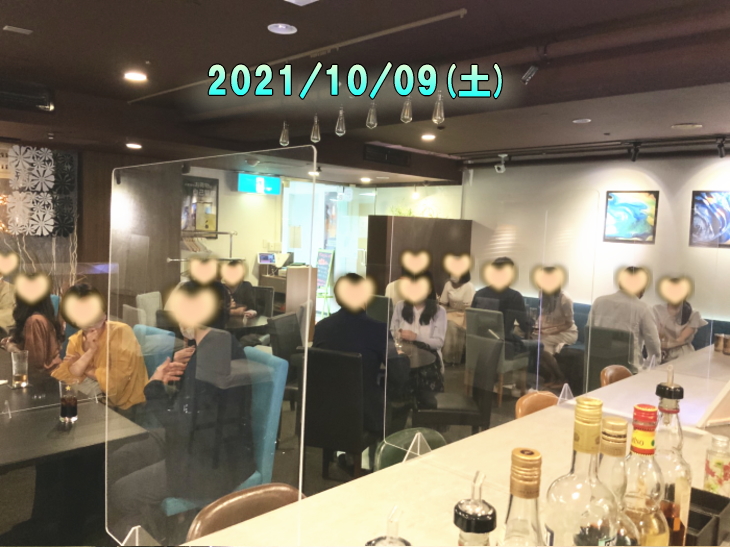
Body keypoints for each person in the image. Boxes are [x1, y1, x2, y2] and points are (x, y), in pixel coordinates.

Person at [313, 273, 396, 434]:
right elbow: (399, 372)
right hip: (366, 414)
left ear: (337, 299)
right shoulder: (378, 329)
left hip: (324, 411)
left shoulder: (322, 327)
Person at [52, 283, 148, 411]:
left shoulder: (121, 332)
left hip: (126, 407)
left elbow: (116, 385)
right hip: (91, 403)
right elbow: (63, 378)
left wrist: (85, 368)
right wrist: (89, 358)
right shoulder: (75, 340)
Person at [390, 272, 447, 403]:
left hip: (429, 361)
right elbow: (392, 332)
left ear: (429, 290)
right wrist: (399, 333)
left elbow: (438, 342)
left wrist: (415, 337)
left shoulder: (439, 311)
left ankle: (421, 408)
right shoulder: (400, 306)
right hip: (403, 358)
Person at [589, 267, 661, 367]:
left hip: (597, 367)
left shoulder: (598, 302)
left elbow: (590, 337)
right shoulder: (644, 309)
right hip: (628, 371)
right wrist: (645, 370)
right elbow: (654, 352)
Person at [470, 257, 532, 359]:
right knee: (538, 347)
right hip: (503, 348)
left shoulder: (479, 294)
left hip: (478, 347)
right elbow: (525, 326)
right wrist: (531, 321)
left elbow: (472, 323)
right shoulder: (514, 296)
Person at [1, 293, 63, 378]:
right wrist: (15, 342)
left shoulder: (35, 321)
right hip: (50, 377)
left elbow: (34, 364)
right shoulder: (41, 318)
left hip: (47, 380)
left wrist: (11, 348)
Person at [533, 275, 578, 388]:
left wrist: (550, 331)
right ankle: (555, 377)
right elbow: (542, 314)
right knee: (536, 340)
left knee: (543, 342)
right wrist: (539, 327)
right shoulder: (542, 294)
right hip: (549, 329)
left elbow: (569, 324)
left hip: (567, 332)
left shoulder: (565, 299)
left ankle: (561, 378)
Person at [653, 298, 707, 362]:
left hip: (682, 353)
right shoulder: (657, 309)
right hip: (660, 353)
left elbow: (680, 339)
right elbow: (656, 335)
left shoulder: (693, 314)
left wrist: (662, 343)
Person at [440, 271, 476, 365]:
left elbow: (468, 308)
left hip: (463, 314)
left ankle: (450, 358)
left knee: (450, 325)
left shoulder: (468, 286)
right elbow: (443, 303)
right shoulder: (448, 284)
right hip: (450, 311)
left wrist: (465, 325)